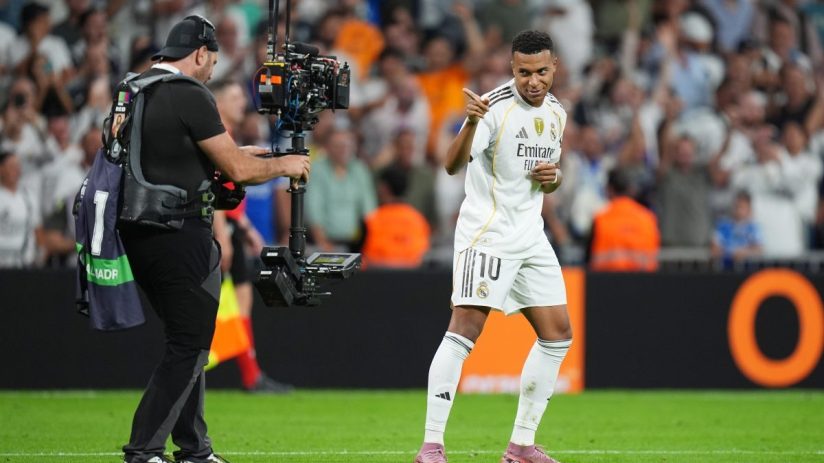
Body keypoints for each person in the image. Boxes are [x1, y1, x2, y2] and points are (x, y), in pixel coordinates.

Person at [116, 16, 309, 463]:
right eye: (212, 62)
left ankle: (194, 450)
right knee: (189, 344)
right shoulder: (190, 93)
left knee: (189, 340)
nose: (210, 72)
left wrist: (239, 153)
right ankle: (143, 451)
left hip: (137, 228)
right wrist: (287, 165)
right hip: (178, 230)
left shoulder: (134, 88)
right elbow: (238, 173)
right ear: (201, 53)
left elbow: (170, 157)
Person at [414, 30, 572, 463]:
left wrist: (552, 178)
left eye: (541, 72)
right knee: (464, 329)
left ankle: (520, 446)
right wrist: (469, 122)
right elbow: (450, 165)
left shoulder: (558, 113)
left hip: (531, 235)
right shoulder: (493, 107)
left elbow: (552, 176)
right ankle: (431, 446)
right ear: (512, 67)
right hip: (488, 234)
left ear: (554, 67)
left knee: (558, 336)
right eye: (524, 72)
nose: (533, 81)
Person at [587, 169, 659, 271]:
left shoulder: (601, 219)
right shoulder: (648, 218)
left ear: (609, 190)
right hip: (644, 282)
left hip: (605, 282)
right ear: (631, 190)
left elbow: (588, 257)